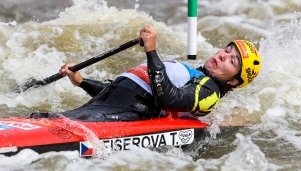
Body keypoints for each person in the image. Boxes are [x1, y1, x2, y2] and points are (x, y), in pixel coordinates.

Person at [55, 25, 261, 121]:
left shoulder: (210, 92)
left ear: (234, 81)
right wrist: (82, 81)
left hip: (128, 113)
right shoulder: (191, 73)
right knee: (48, 119)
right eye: (226, 50)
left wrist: (151, 52)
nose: (223, 56)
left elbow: (170, 100)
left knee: (57, 123)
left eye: (232, 60)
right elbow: (122, 92)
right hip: (107, 106)